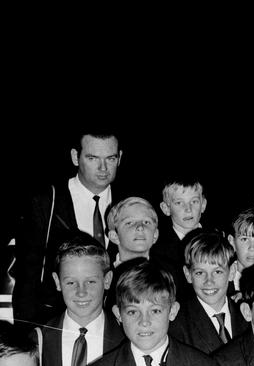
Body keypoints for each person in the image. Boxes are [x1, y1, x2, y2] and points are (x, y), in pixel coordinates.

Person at [13, 130, 124, 326]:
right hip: (55, 323)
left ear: (120, 158)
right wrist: (28, 335)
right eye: (92, 158)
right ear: (75, 157)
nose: (103, 167)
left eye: (111, 158)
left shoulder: (132, 204)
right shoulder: (47, 202)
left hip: (115, 326)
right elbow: (27, 278)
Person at [92, 260, 212, 366]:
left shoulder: (203, 363)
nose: (144, 322)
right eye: (133, 312)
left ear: (173, 311)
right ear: (118, 314)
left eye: (155, 311)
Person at [36, 232, 124, 366]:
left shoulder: (126, 338)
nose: (81, 292)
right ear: (57, 282)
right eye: (71, 283)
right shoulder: (38, 340)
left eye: (91, 282)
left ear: (107, 280)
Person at [168, 229, 249, 354]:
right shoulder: (177, 324)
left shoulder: (247, 316)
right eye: (200, 273)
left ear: (232, 271)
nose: (209, 281)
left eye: (217, 272)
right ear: (188, 274)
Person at [150, 175, 208, 296]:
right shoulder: (157, 251)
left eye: (194, 201)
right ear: (166, 208)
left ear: (203, 204)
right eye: (179, 203)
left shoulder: (219, 240)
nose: (188, 209)